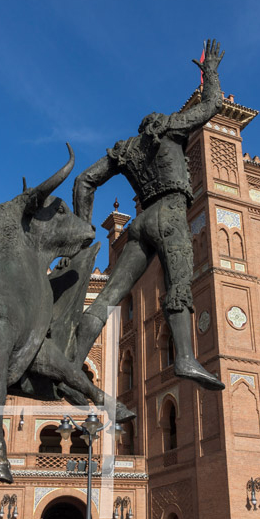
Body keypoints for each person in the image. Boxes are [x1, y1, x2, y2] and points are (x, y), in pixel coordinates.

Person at [72, 39, 227, 391]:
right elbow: (213, 104)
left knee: (110, 295)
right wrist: (211, 71)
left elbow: (84, 182)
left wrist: (84, 231)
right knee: (179, 286)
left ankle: (73, 356)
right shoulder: (172, 127)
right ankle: (185, 358)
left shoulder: (125, 149)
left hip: (141, 223)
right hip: (171, 215)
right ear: (157, 122)